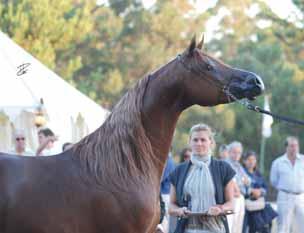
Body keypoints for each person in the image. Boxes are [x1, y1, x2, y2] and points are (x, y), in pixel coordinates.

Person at [169, 123, 235, 233]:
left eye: (203, 140)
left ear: (211, 142)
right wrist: (179, 210)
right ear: (189, 142)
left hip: (216, 229)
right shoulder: (178, 171)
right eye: (195, 140)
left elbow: (231, 204)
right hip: (187, 229)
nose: (199, 143)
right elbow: (171, 206)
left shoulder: (224, 168)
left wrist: (220, 209)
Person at [270, 136, 304, 233]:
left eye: (296, 146)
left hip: (301, 197)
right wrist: (286, 188)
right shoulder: (278, 162)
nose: (295, 148)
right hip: (284, 196)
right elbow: (274, 181)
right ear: (286, 147)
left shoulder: (303, 160)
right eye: (292, 146)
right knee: (283, 226)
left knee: (301, 225)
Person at [243, 151, 277, 233]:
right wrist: (252, 191)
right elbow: (241, 187)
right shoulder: (242, 172)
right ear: (244, 161)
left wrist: (260, 192)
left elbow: (265, 188)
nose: (251, 162)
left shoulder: (258, 174)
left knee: (267, 225)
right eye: (249, 159)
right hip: (248, 207)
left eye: (253, 159)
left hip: (260, 204)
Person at [226, 141, 250, 233]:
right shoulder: (226, 164)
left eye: (239, 152)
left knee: (238, 226)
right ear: (229, 152)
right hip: (232, 197)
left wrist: (244, 181)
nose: (237, 155)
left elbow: (248, 181)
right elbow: (231, 181)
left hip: (241, 197)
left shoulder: (239, 165)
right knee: (230, 225)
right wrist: (242, 182)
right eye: (234, 152)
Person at [161, 153, 176, 233]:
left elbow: (161, 177)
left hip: (165, 194)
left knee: (164, 219)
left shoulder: (168, 161)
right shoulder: (169, 161)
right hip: (164, 193)